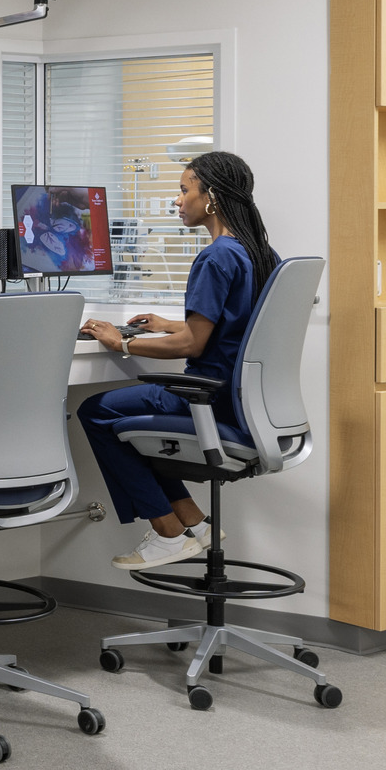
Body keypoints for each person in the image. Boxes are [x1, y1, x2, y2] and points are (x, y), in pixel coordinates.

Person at [73, 152, 277, 571]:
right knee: (129, 427)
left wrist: (121, 345)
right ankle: (193, 522)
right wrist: (167, 324)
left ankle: (167, 533)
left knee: (96, 412)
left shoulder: (216, 257)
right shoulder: (260, 253)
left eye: (185, 190)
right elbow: (229, 328)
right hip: (242, 399)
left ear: (212, 197)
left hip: (208, 398)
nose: (178, 200)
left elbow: (193, 347)